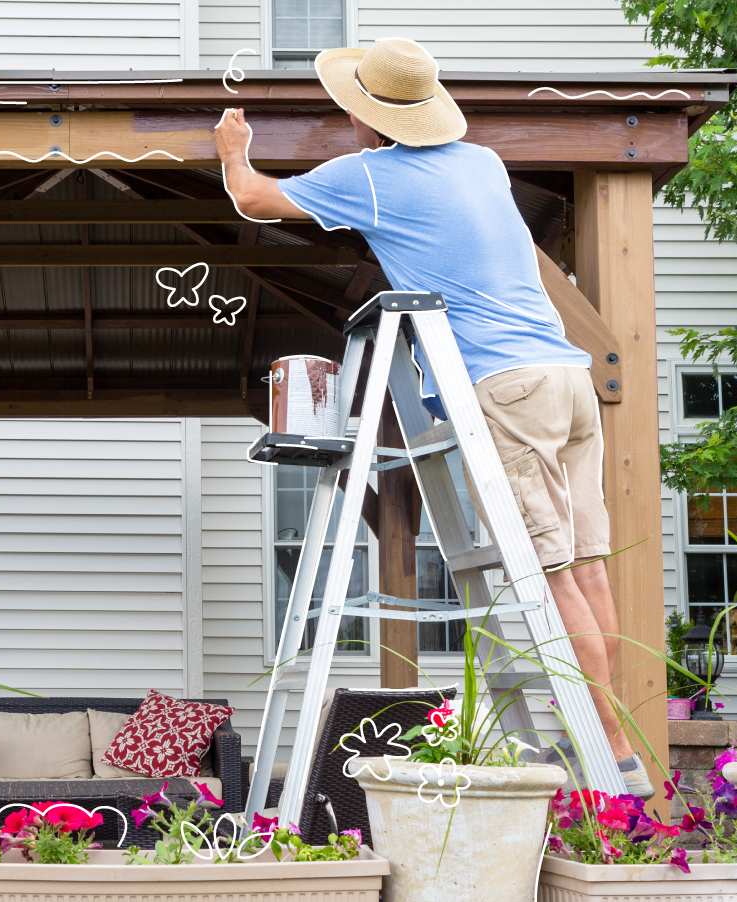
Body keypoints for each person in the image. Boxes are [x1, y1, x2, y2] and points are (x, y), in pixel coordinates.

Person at [213, 37, 652, 796]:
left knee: (549, 578)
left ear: (364, 118)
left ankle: (607, 747)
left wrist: (232, 149)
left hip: (503, 385)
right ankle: (619, 734)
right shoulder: (481, 163)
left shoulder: (370, 177)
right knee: (585, 566)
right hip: (565, 376)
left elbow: (252, 198)